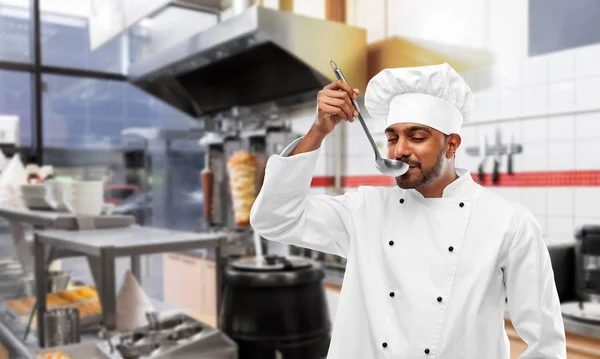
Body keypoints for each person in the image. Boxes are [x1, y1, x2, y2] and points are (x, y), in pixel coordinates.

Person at [249, 63, 566, 358]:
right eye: (392, 138)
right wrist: (318, 130)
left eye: (416, 136)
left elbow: (546, 344)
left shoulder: (508, 224)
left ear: (451, 145)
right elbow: (274, 219)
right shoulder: (367, 209)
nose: (400, 150)